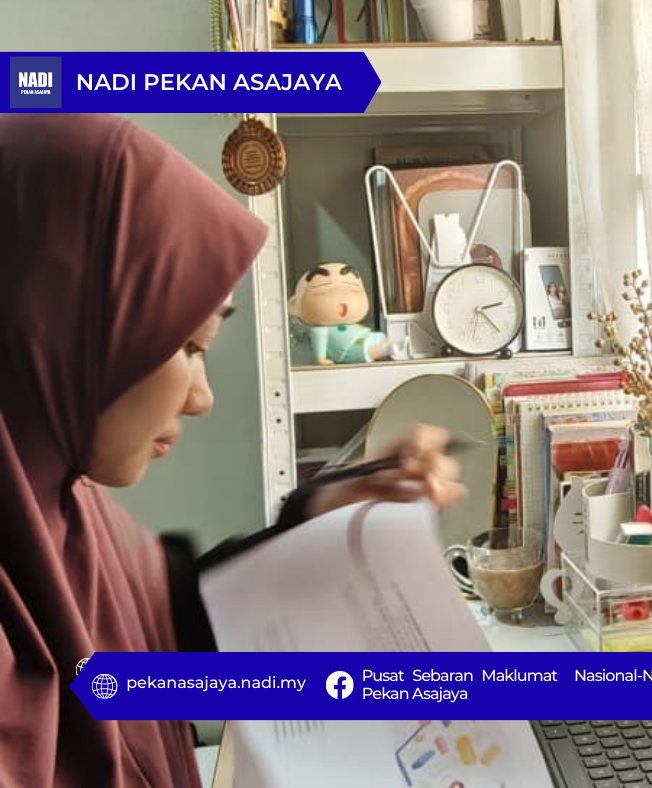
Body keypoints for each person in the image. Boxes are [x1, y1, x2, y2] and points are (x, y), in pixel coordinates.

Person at [0, 114, 464, 787]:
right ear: (56, 325)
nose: (201, 398)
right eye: (189, 347)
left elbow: (163, 634)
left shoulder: (60, 512)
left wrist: (313, 524)